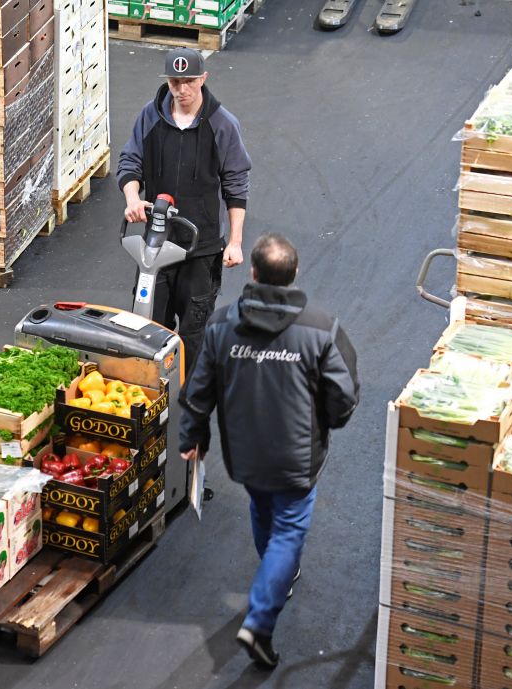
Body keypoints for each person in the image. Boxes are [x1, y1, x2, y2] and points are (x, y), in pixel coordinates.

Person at [178, 234, 359, 669]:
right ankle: (260, 620)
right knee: (289, 531)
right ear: (294, 275)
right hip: (298, 458)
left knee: (262, 508)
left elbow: (197, 390)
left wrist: (193, 437)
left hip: (245, 454)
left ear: (254, 274)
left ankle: (278, 574)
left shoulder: (221, 325)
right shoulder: (321, 327)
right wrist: (328, 424)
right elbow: (345, 394)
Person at [117, 47, 252, 374]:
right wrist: (132, 198)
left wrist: (234, 242)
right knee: (148, 325)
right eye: (176, 81)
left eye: (189, 81)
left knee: (194, 332)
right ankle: (148, 391)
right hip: (156, 246)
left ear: (203, 79)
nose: (182, 89)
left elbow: (236, 185)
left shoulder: (222, 124)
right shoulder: (150, 116)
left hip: (200, 249)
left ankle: (190, 399)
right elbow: (130, 162)